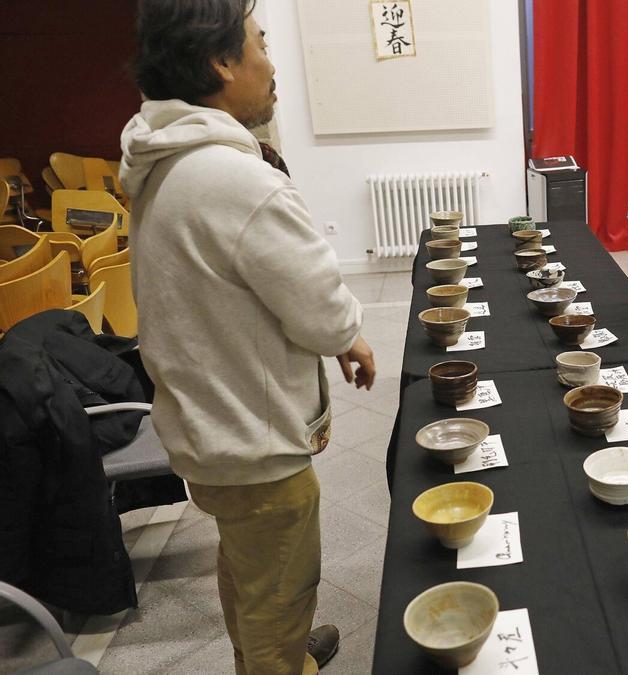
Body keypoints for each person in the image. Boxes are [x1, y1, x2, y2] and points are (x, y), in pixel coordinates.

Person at [121, 1, 376, 672]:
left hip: (208, 427)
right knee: (280, 592)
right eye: (259, 44)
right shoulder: (235, 178)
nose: (270, 64)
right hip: (253, 439)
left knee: (244, 560)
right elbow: (318, 305)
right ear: (222, 62)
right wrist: (350, 332)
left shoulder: (163, 164)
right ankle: (277, 656)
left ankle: (265, 649)